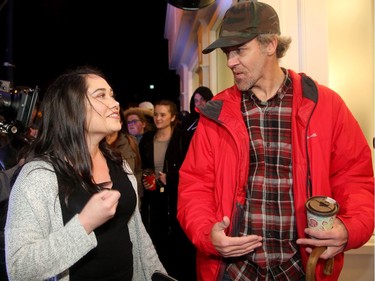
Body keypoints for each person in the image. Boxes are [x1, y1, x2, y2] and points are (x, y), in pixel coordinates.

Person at [177, 1, 374, 281]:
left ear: (270, 45)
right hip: (233, 272)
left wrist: (349, 228)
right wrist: (208, 233)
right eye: (227, 53)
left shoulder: (325, 105)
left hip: (300, 270)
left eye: (239, 50)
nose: (230, 62)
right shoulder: (216, 113)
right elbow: (194, 186)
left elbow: (355, 177)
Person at [5, 65, 166, 280]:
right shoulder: (38, 176)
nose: (115, 103)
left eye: (112, 95)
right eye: (101, 95)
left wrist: (158, 274)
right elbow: (19, 268)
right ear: (72, 109)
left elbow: (138, 237)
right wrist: (85, 224)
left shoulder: (119, 164)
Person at [139, 99, 196, 281]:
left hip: (176, 201)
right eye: (156, 114)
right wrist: (146, 181)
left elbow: (192, 170)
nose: (158, 118)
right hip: (154, 201)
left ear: (172, 117)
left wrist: (170, 178)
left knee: (177, 248)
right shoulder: (147, 140)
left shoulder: (182, 138)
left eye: (163, 114)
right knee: (157, 245)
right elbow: (143, 168)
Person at [106, 107, 143, 206]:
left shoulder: (130, 142)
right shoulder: (97, 145)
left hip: (131, 203)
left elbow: (137, 170)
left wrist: (137, 197)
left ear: (121, 122)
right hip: (109, 204)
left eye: (116, 118)